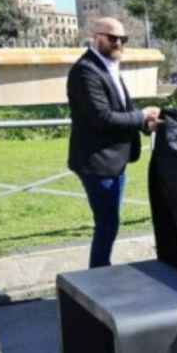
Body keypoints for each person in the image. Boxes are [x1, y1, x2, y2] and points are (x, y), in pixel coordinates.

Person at [67, 17, 161, 268]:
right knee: (107, 224)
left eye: (122, 39)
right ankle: (98, 276)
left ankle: (100, 273)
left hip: (114, 162)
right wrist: (141, 116)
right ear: (95, 37)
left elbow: (120, 110)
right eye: (112, 38)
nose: (118, 42)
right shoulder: (86, 71)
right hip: (98, 163)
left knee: (109, 223)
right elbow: (102, 118)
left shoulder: (107, 67)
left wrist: (144, 124)